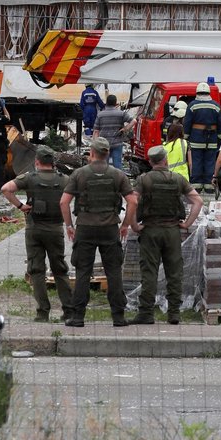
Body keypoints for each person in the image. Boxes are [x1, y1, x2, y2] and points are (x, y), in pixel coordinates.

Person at [60, 136, 137, 327]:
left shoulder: (79, 174)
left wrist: (69, 226)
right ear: (108, 153)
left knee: (83, 272)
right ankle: (118, 317)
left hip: (85, 228)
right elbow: (133, 201)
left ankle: (78, 317)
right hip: (110, 228)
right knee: (113, 272)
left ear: (91, 153)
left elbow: (63, 202)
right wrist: (125, 224)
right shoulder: (118, 175)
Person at [129, 145, 202, 325]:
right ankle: (174, 313)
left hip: (150, 230)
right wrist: (186, 224)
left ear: (151, 161)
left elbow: (132, 201)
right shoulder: (178, 179)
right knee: (174, 273)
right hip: (172, 231)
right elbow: (198, 202)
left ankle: (146, 313)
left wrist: (133, 225)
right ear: (165, 160)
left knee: (149, 272)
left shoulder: (143, 180)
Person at [1, 145, 73, 324]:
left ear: (37, 162)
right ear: (53, 162)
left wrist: (21, 206)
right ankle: (68, 310)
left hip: (34, 228)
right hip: (56, 229)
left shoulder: (29, 178)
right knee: (60, 269)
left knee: (37, 270)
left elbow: (6, 189)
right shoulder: (64, 180)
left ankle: (43, 312)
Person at [183, 82, 221, 189]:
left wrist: (186, 136)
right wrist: (220, 137)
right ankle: (209, 185)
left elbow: (187, 122)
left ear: (197, 92)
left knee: (196, 161)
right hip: (212, 139)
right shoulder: (216, 105)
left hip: (196, 138)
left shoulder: (192, 105)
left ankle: (196, 184)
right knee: (210, 161)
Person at [92, 94, 132, 169]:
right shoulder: (121, 113)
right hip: (117, 143)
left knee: (104, 165)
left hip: (104, 144)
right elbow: (134, 121)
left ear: (106, 103)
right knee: (117, 164)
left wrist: (95, 145)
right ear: (115, 103)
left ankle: (106, 179)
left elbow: (96, 131)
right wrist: (125, 129)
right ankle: (119, 179)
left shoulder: (100, 115)